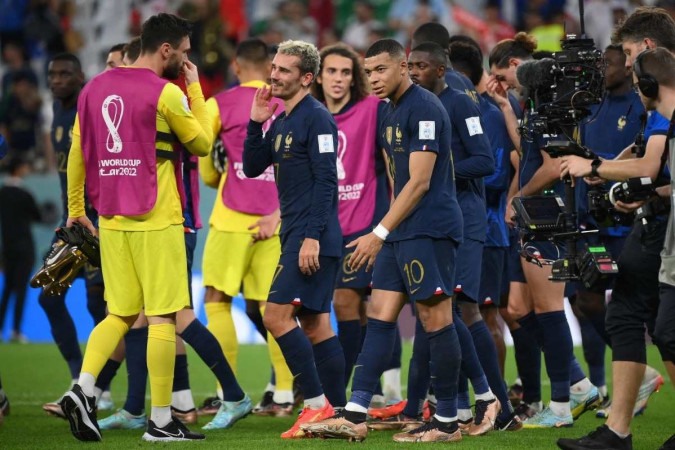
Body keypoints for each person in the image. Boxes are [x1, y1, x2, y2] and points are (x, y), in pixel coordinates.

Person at [60, 13, 214, 442]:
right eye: (182, 53)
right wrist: (196, 86)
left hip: (110, 218)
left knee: (120, 314)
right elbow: (202, 143)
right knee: (163, 317)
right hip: (157, 216)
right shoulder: (166, 92)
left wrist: (76, 210)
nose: (184, 60)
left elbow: (77, 153)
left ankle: (83, 388)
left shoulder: (93, 88)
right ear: (166, 50)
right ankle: (161, 421)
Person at [302, 38, 464, 443]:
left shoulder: (424, 108)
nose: (372, 78)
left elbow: (420, 182)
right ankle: (355, 413)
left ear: (403, 66)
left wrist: (379, 231)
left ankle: (447, 422)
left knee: (435, 319)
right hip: (401, 231)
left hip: (430, 229)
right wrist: (388, 231)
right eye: (368, 71)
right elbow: (396, 180)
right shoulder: (389, 112)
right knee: (379, 315)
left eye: (380, 70)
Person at [557, 8, 675, 449]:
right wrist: (620, 174)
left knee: (663, 325)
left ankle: (617, 432)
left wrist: (596, 165)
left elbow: (651, 162)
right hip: (658, 220)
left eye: (627, 53)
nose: (625, 63)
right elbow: (653, 160)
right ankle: (617, 431)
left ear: (646, 49)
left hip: (666, 226)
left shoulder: (663, 90)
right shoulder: (661, 93)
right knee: (633, 314)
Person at [488, 32, 599, 428]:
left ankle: (562, 406)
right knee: (521, 309)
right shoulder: (536, 109)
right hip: (540, 216)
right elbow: (531, 155)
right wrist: (505, 109)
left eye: (506, 78)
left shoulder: (550, 111)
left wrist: (520, 199)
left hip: (550, 217)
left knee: (549, 310)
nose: (504, 86)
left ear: (522, 72)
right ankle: (579, 386)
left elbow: (552, 167)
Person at [243, 39, 346, 439]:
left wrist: (311, 237)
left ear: (306, 78)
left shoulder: (317, 118)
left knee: (275, 315)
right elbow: (252, 167)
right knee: (317, 325)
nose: (273, 74)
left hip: (311, 237)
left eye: (284, 70)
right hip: (300, 234)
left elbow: (327, 181)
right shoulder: (283, 119)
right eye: (273, 67)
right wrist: (256, 122)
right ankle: (339, 414)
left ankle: (317, 405)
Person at [200, 37, 294, 417]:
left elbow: (206, 161)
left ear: (237, 67)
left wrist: (218, 177)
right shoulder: (289, 104)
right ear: (271, 67)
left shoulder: (219, 103)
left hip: (231, 217)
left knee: (217, 302)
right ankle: (285, 394)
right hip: (276, 218)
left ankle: (228, 392)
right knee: (275, 309)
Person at [311, 43, 402, 408]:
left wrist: (390, 220)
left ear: (356, 77)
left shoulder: (373, 110)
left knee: (352, 303)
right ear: (318, 76)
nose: (338, 79)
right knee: (362, 310)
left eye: (346, 72)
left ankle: (350, 387)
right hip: (330, 228)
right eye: (331, 71)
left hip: (368, 226)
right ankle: (376, 386)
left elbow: (393, 164)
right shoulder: (313, 114)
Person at [447, 39, 523, 430]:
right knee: (463, 312)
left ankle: (499, 405)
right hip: (472, 224)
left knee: (483, 314)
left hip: (488, 228)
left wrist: (438, 172)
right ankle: (465, 404)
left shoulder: (484, 113)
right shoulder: (470, 107)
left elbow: (495, 170)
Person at [572, 44, 646, 415]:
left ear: (627, 67)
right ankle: (602, 381)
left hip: (627, 223)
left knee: (629, 307)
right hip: (592, 223)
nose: (602, 69)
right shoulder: (590, 106)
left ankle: (632, 386)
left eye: (609, 63)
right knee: (584, 299)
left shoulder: (639, 106)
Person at [39, 52, 112, 419]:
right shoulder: (57, 109)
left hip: (96, 222)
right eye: (52, 74)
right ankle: (78, 381)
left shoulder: (90, 107)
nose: (57, 80)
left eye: (65, 73)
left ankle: (101, 391)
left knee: (101, 305)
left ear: (81, 76)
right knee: (49, 297)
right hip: (73, 223)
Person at [0, 156, 41, 343]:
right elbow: (38, 216)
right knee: (21, 289)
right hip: (25, 247)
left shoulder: (2, 193)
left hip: (8, 247)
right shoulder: (25, 194)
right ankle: (16, 330)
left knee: (7, 288)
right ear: (19, 169)